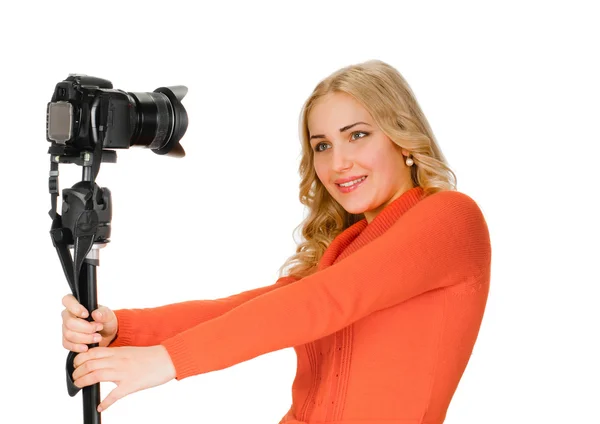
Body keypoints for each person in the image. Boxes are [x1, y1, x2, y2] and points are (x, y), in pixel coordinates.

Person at [61, 59, 491, 423]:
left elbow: (324, 301)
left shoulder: (450, 217)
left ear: (403, 138)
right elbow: (248, 309)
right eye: (321, 145)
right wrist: (122, 327)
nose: (338, 162)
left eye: (358, 135)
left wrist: (168, 360)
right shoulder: (349, 247)